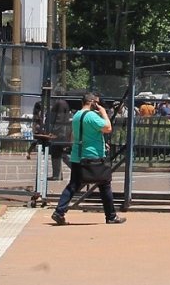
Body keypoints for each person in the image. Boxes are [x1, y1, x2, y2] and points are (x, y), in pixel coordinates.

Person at [50, 91, 124, 226]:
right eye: (98, 102)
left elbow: (74, 136)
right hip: (93, 156)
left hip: (78, 156)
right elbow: (108, 128)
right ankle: (111, 216)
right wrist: (103, 113)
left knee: (73, 185)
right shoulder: (92, 116)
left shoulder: (77, 115)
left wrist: (99, 141)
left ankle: (59, 212)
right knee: (105, 184)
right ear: (93, 102)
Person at [48, 97, 72, 182]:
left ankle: (57, 175)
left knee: (57, 152)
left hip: (61, 132)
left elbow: (59, 118)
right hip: (62, 131)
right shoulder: (62, 103)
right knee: (59, 153)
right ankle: (57, 174)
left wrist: (55, 132)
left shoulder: (61, 103)